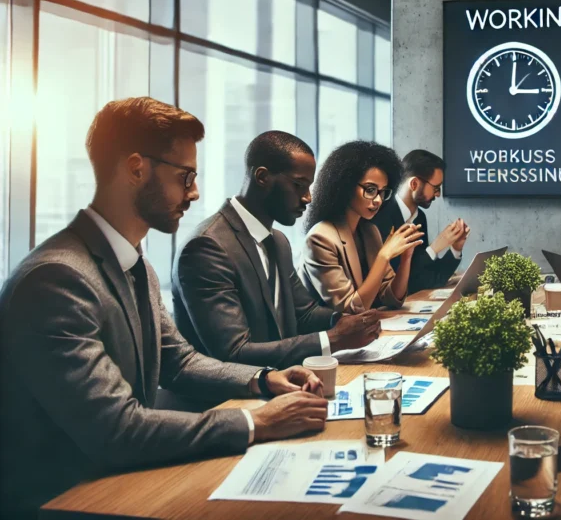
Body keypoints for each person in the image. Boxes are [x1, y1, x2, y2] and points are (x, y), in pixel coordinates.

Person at [0, 98, 330, 517]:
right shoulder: (56, 279)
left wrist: (265, 381)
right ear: (136, 168)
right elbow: (116, 429)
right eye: (185, 176)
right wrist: (258, 422)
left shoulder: (135, 264)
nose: (194, 192)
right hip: (65, 500)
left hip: (121, 482)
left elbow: (180, 361)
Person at [172, 131, 382, 370]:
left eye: (309, 186)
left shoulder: (278, 241)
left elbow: (304, 313)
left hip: (284, 383)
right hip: (226, 400)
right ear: (262, 177)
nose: (308, 197)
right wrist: (332, 339)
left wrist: (347, 322)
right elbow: (233, 352)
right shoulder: (206, 247)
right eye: (298, 185)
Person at [300, 141, 423, 314]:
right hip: (331, 337)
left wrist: (406, 259)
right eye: (371, 189)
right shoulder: (320, 238)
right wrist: (384, 256)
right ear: (346, 185)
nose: (378, 200)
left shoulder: (369, 231)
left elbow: (392, 298)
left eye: (382, 192)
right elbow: (350, 309)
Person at [371, 149, 470, 293]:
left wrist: (455, 248)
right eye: (436, 187)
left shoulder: (420, 217)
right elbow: (396, 280)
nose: (438, 194)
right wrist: (434, 248)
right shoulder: (380, 215)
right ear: (414, 184)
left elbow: (429, 278)